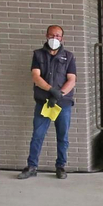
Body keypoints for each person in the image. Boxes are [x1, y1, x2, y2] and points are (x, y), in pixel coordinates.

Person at [22, 24, 76, 179]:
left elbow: (72, 80)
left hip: (62, 104)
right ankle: (32, 167)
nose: (55, 38)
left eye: (58, 36)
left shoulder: (69, 57)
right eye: (52, 35)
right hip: (43, 103)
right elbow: (36, 77)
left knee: (62, 137)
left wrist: (59, 94)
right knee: (37, 135)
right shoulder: (38, 55)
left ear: (62, 38)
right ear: (46, 36)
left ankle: (61, 167)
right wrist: (50, 90)